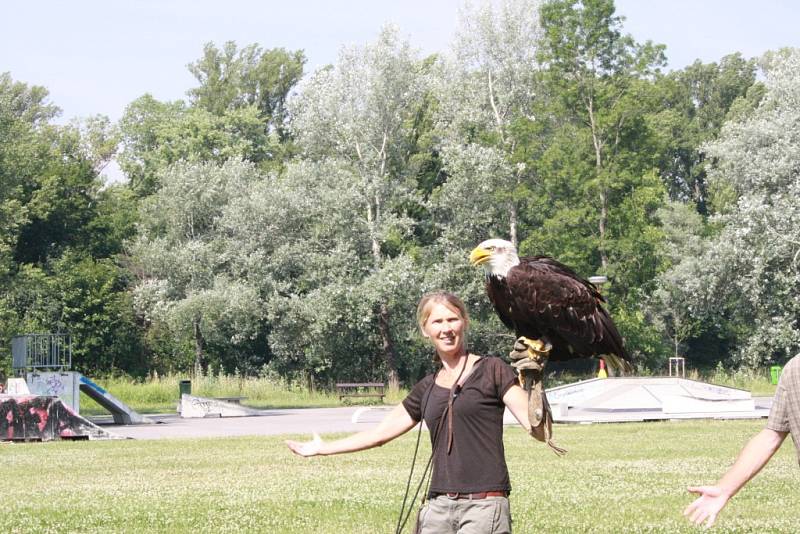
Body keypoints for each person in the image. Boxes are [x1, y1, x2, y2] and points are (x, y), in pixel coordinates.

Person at [286, 291, 532, 533]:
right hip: (438, 507)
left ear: (464, 322)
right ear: (426, 330)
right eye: (437, 321)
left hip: (484, 506)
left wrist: (536, 383)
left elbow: (538, 428)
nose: (446, 328)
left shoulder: (493, 370)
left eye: (452, 319)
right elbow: (380, 434)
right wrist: (323, 448)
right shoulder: (426, 387)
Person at [684, 354, 800, 528]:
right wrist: (724, 488)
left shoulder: (794, 367)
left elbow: (772, 436)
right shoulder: (794, 370)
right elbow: (772, 435)